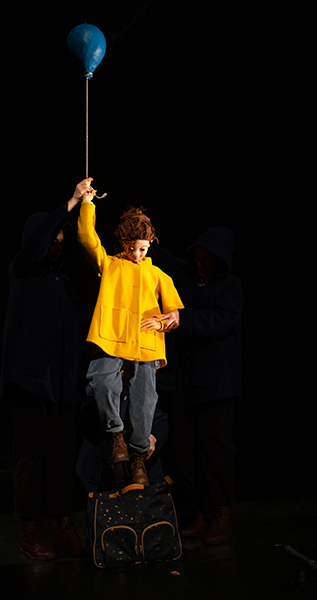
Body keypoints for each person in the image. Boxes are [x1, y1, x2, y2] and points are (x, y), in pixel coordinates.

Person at [0, 181, 91, 560]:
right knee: (30, 457)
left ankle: (63, 525)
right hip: (31, 383)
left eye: (61, 240)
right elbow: (35, 243)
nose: (56, 244)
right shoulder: (22, 271)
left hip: (63, 386)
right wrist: (71, 202)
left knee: (62, 457)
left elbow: (80, 326)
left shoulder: (63, 283)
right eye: (52, 238)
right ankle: (29, 530)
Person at [76, 178, 184, 487]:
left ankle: (138, 457)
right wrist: (87, 204)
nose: (137, 254)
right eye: (132, 248)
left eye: (143, 249)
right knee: (101, 382)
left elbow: (175, 314)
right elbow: (87, 239)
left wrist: (162, 322)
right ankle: (117, 437)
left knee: (145, 397)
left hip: (146, 341)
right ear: (124, 244)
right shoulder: (111, 265)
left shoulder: (157, 274)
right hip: (111, 334)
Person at [153, 227, 243, 544]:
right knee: (187, 450)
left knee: (215, 450)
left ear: (220, 260)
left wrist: (184, 318)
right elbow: (166, 259)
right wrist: (146, 233)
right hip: (187, 379)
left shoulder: (230, 286)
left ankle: (221, 513)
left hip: (216, 383)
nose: (201, 264)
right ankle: (202, 510)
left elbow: (222, 320)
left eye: (207, 259)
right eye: (198, 257)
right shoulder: (189, 277)